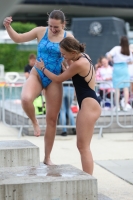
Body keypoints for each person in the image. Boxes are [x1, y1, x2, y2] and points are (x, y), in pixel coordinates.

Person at [3, 10, 74, 165]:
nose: (53, 29)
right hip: (37, 74)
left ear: (63, 24)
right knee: (25, 99)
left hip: (54, 78)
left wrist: (70, 67)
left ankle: (47, 157)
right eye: (51, 26)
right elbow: (18, 38)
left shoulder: (68, 37)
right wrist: (8, 27)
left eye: (57, 27)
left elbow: (76, 57)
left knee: (52, 120)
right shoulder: (40, 31)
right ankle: (34, 121)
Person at [35, 37, 101, 175]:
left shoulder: (79, 64)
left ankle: (88, 180)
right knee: (82, 146)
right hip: (90, 103)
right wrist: (66, 65)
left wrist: (43, 68)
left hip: (89, 105)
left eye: (64, 54)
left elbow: (59, 79)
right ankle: (87, 178)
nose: (63, 56)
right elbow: (73, 73)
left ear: (72, 52)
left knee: (83, 147)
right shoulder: (84, 57)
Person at [106, 36, 133, 111]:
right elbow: (131, 61)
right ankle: (125, 106)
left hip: (117, 68)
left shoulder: (116, 48)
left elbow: (108, 55)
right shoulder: (128, 50)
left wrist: (113, 60)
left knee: (117, 88)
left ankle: (117, 106)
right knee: (126, 88)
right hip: (124, 68)